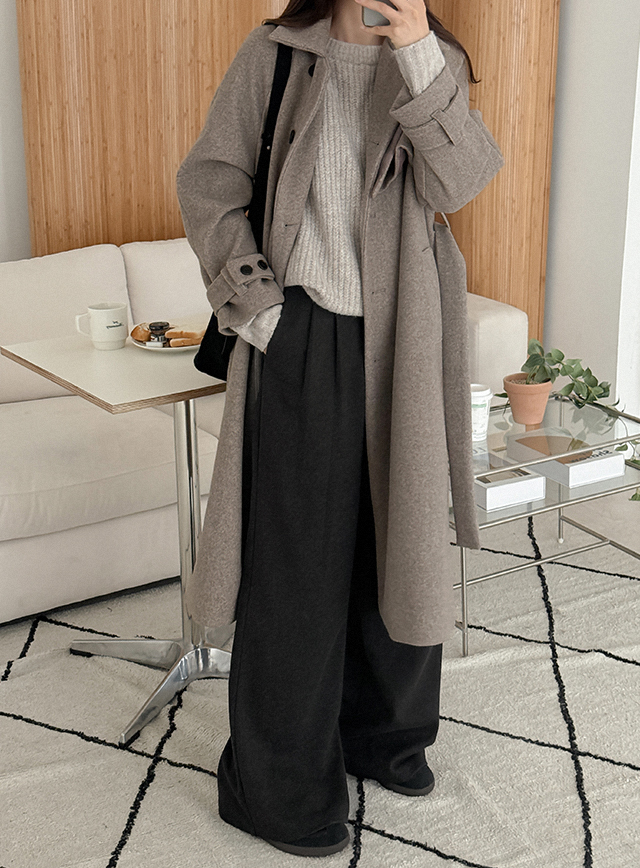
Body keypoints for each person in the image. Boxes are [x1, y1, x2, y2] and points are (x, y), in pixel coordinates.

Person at [177, 0, 503, 857]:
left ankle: (383, 736)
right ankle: (276, 784)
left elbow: (459, 183)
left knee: (398, 543)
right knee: (299, 567)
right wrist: (259, 307)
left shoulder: (435, 60)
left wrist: (416, 49)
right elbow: (209, 178)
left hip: (407, 336)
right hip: (304, 330)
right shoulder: (277, 53)